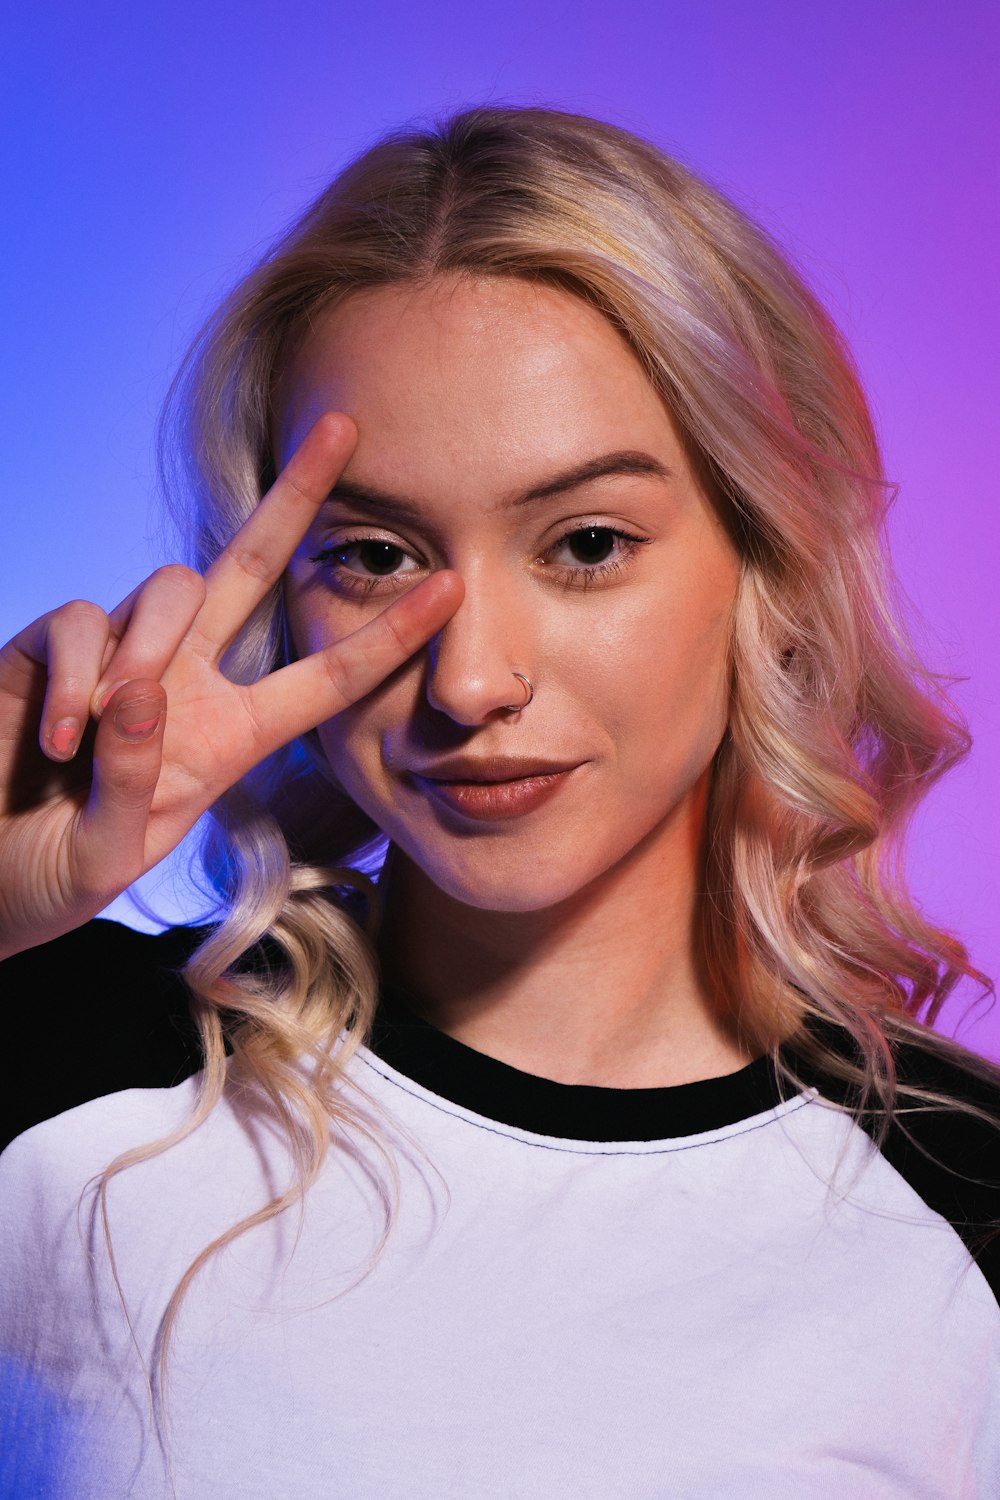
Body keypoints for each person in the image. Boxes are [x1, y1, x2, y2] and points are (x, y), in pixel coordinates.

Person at [0, 105, 998, 1499]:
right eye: (370, 554)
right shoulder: (64, 1075)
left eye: (586, 545)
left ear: (769, 561)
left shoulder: (967, 1212)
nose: (469, 680)